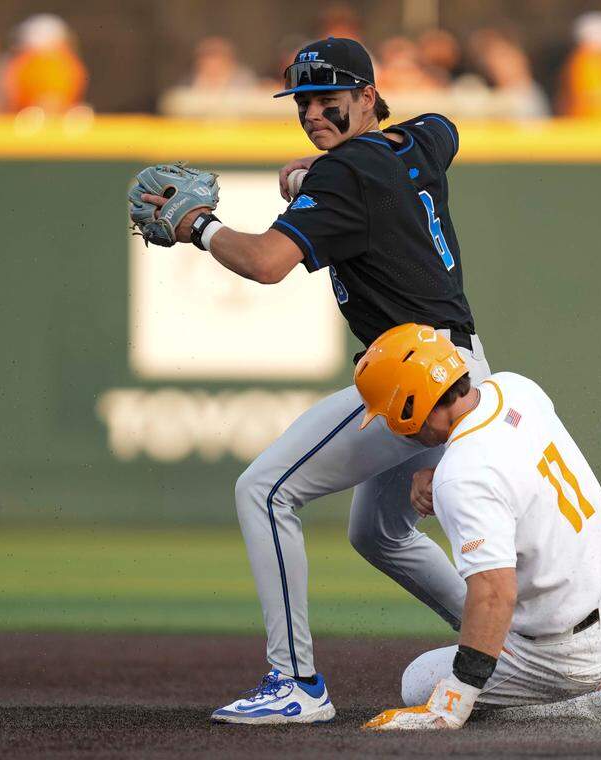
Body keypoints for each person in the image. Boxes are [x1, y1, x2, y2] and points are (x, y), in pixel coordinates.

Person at [134, 37, 490, 725]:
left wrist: (198, 225)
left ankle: (295, 682)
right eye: (303, 102)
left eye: (330, 99)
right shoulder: (414, 142)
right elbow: (445, 132)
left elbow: (268, 263)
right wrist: (313, 179)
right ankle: (508, 647)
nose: (314, 113)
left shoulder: (344, 175)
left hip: (418, 372)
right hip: (459, 364)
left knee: (264, 490)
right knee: (379, 534)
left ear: (365, 96)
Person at [352, 325, 601, 730]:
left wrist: (454, 699)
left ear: (411, 406)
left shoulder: (462, 475)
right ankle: (593, 684)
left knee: (418, 681)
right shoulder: (514, 388)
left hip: (568, 652)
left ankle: (594, 701)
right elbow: (507, 467)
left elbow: (494, 595)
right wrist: (448, 476)